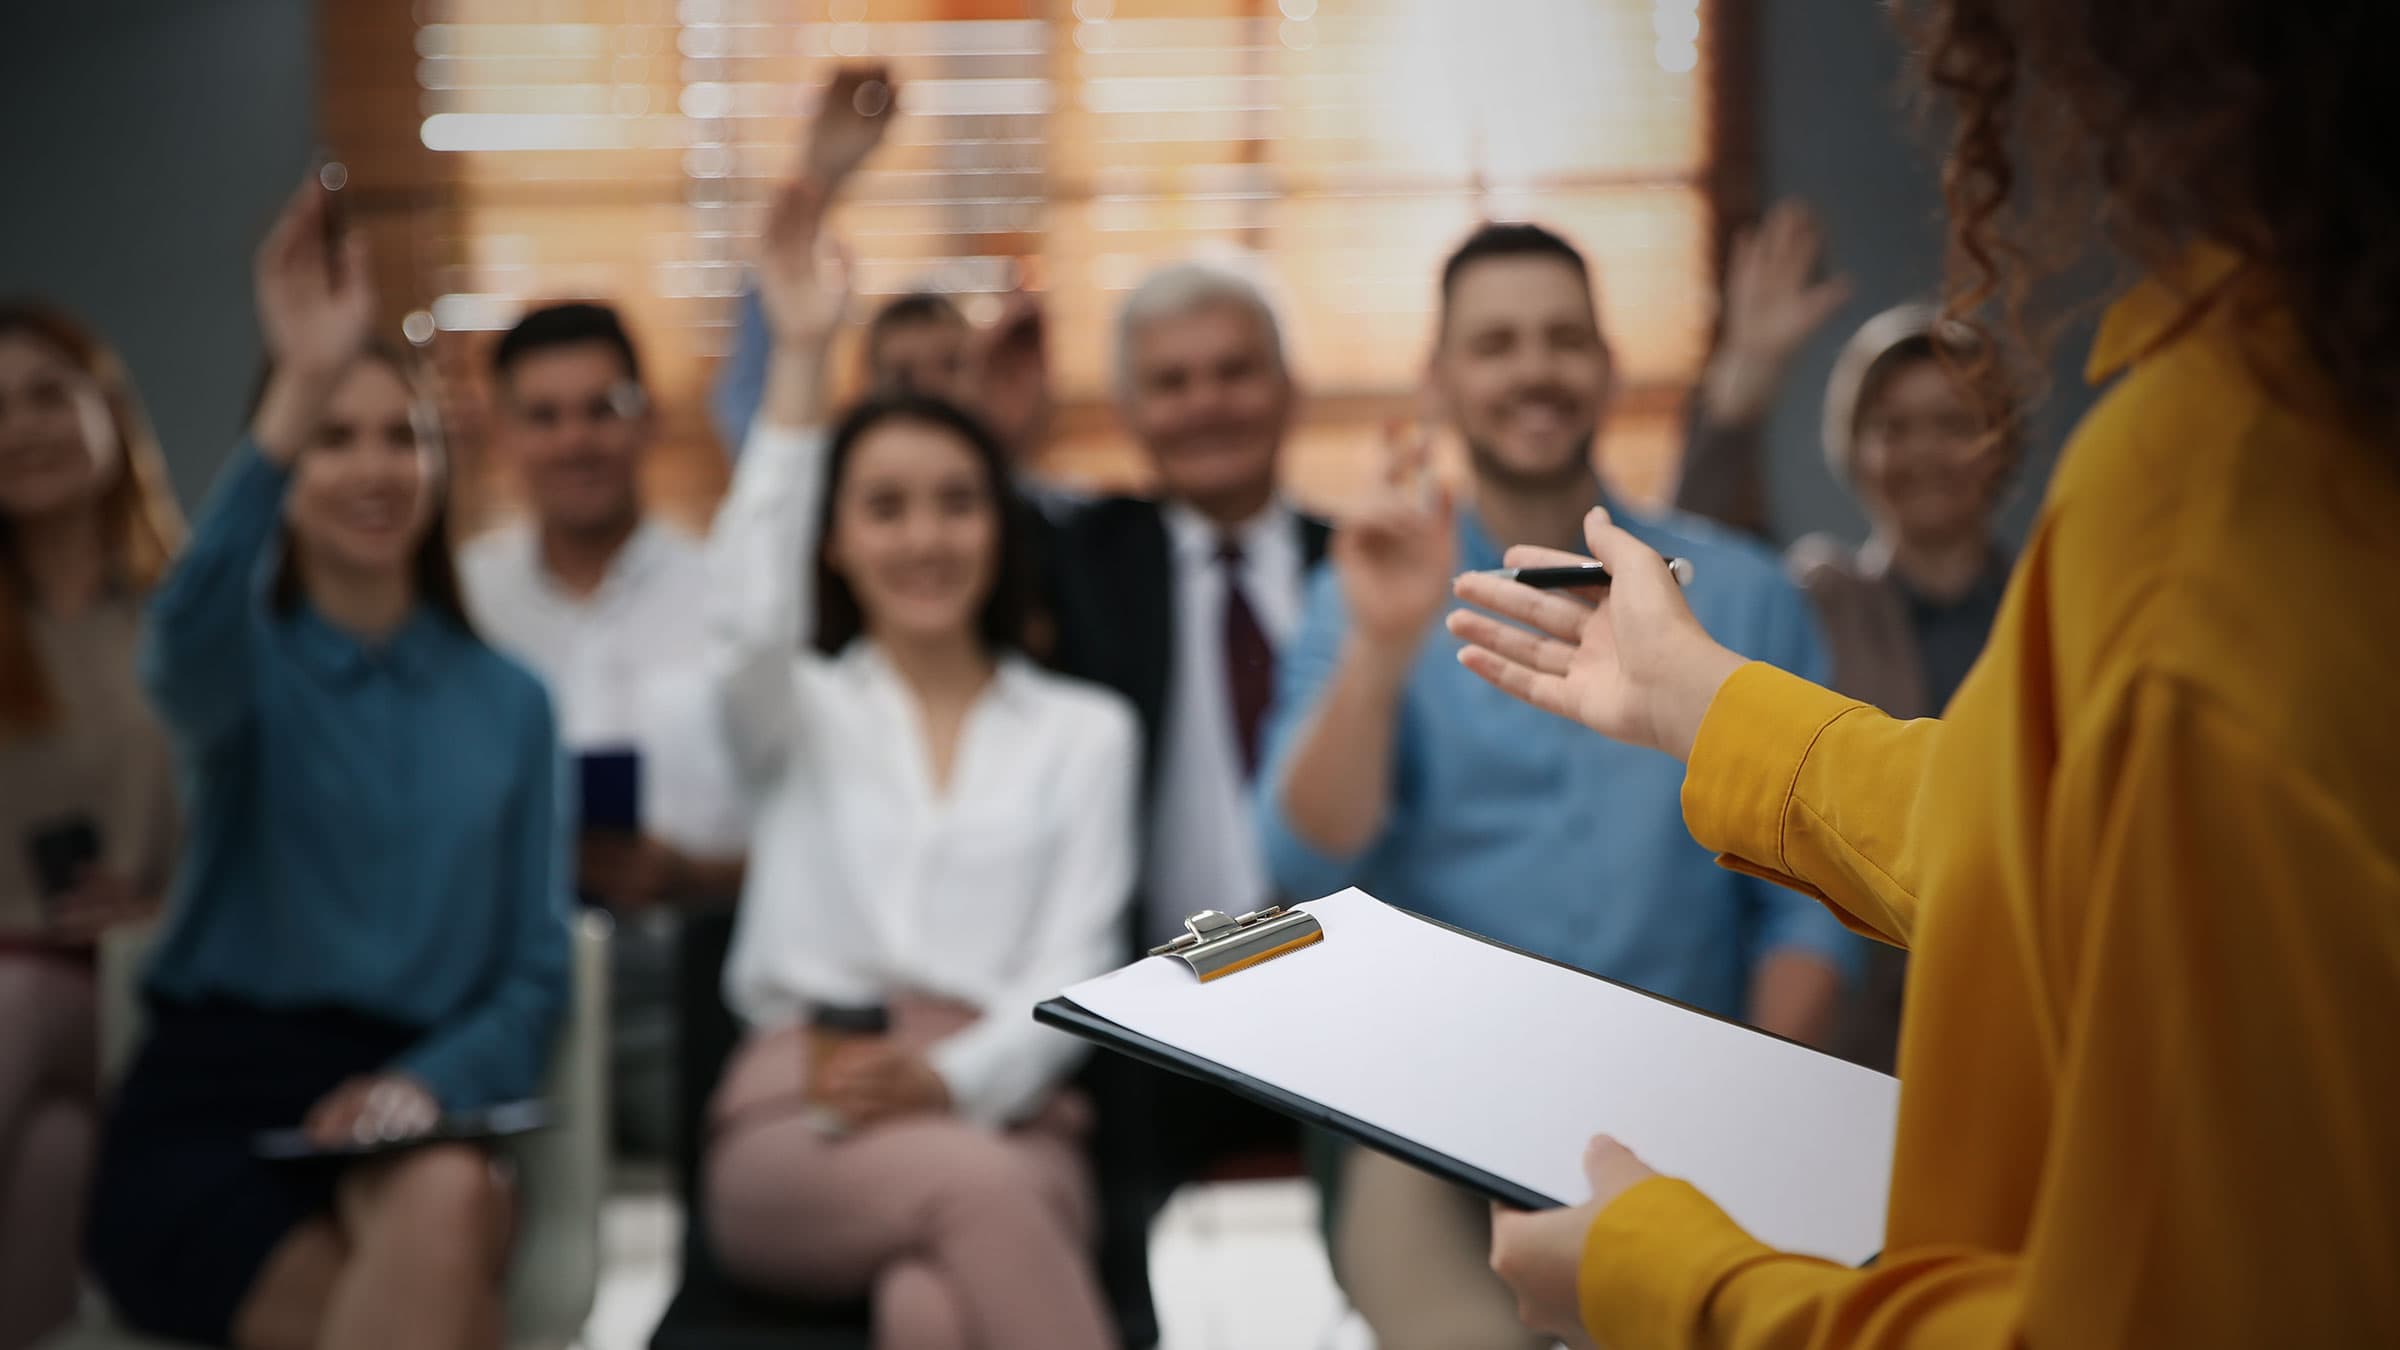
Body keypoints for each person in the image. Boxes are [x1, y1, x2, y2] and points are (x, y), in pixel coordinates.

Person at [1458, 3, 2400, 1344]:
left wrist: (1669, 1275)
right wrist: (1701, 699)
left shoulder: (2198, 533)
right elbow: (2034, 829)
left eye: (1955, 421)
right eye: (1892, 426)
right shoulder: (2231, 469)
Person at [1260, 220, 1854, 1350]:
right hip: (1424, 1115)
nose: (1534, 369)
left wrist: (1753, 1097)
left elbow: (1810, 908)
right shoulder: (1365, 591)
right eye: (1496, 344)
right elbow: (1301, 865)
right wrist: (1381, 655)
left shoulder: (1745, 593)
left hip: (1695, 1092)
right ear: (1438, 380)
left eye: (1563, 338)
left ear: (1608, 366)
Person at [85, 180, 572, 1350]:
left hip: (417, 1091)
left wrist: (432, 1081)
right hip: (212, 1108)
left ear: (440, 461)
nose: (369, 467)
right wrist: (294, 381)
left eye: (397, 435)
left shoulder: (512, 703)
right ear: (287, 477)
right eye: (330, 439)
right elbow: (178, 638)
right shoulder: (240, 668)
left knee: (450, 1192)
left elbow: (534, 968)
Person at [697, 165, 1137, 1350]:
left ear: (1002, 523)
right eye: (884, 508)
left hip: (1013, 1113)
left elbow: (1077, 977)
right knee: (973, 1199)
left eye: (956, 503)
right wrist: (797, 364)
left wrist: (951, 1082)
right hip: (802, 1117)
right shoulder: (792, 710)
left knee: (929, 1308)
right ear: (832, 541)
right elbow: (743, 614)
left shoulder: (1088, 734)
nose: (925, 537)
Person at [1034, 256, 1335, 1345]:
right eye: (1172, 382)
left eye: (1234, 372)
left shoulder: (1363, 567)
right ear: (1128, 412)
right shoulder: (1075, 563)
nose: (1206, 403)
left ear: (1290, 389)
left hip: (1350, 996)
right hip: (1145, 1009)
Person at [1678, 205, 2022, 1070]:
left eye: (1953, 421)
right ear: (1852, 447)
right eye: (1891, 427)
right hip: (1866, 1040)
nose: (1922, 452)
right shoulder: (1821, 598)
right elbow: (1696, 567)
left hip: (2037, 1012)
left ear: (2001, 441)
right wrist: (1742, 384)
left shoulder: (2050, 608)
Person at [459, 300, 748, 1159]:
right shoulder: (462, 607)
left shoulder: (728, 601)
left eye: (602, 409)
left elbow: (816, 830)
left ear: (649, 417)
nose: (575, 441)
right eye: (543, 417)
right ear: (500, 435)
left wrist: (689, 873)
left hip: (693, 978)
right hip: (500, 986)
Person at [0, 302, 182, 1350]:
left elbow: (257, 841)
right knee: (54, 1152)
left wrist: (162, 905)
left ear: (107, 411)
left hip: (132, 975)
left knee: (22, 997)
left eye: (49, 395)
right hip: (19, 1009)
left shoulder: (184, 619)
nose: (23, 427)